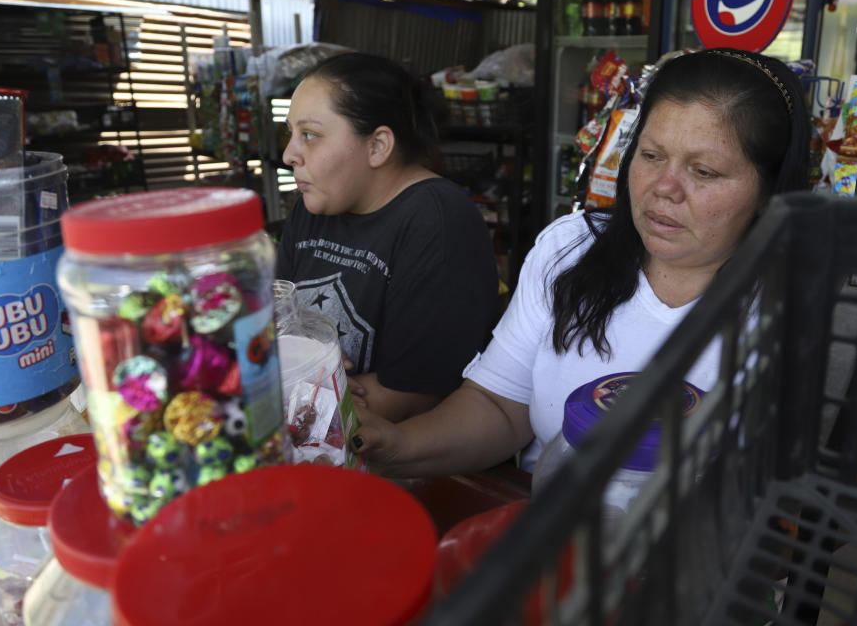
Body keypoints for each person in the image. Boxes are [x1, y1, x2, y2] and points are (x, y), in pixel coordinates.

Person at [348, 48, 812, 477]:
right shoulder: (570, 250)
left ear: (768, 192)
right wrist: (399, 443)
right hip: (553, 538)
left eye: (704, 171)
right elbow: (499, 405)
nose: (663, 187)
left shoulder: (798, 302)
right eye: (650, 156)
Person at [276, 51, 500, 423]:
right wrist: (312, 369)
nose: (288, 154)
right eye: (291, 134)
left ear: (377, 146)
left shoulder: (438, 223)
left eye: (310, 135)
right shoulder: (313, 206)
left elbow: (408, 399)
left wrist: (298, 378)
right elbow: (278, 326)